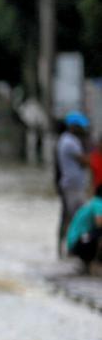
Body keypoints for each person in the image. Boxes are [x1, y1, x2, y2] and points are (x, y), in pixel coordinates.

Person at [56, 111, 91, 257]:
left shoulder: (67, 140)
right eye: (81, 127)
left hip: (71, 185)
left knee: (67, 218)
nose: (83, 130)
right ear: (73, 126)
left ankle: (63, 249)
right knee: (76, 218)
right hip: (72, 186)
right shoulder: (69, 142)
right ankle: (71, 249)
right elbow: (85, 161)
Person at [65, 194, 102, 272]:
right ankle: (93, 263)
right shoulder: (98, 203)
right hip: (79, 243)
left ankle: (89, 264)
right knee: (99, 231)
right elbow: (99, 222)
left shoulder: (92, 202)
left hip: (75, 243)